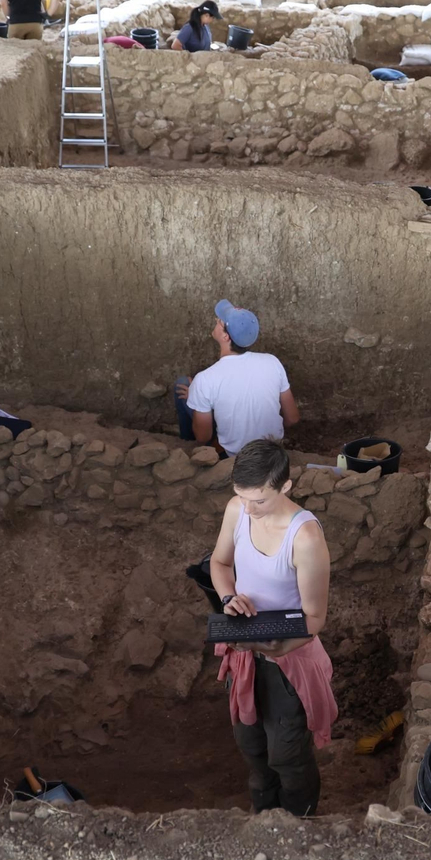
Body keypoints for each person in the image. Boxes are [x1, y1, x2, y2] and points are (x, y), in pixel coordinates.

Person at [210, 441, 336, 816]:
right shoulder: (238, 510)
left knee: (288, 755)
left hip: (290, 660)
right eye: (241, 497)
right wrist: (227, 599)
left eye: (259, 501)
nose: (250, 510)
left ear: (285, 487)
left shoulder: (306, 538)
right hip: (245, 652)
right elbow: (219, 564)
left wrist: (275, 649)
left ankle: (300, 820)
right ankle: (265, 819)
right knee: (251, 744)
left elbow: (314, 619)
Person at [175, 299, 299, 456]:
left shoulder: (205, 379)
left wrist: (195, 398)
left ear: (226, 337)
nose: (215, 320)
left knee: (182, 384)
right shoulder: (272, 362)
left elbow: (202, 436)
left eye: (219, 321)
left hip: (235, 457)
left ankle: (188, 449)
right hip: (272, 452)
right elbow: (292, 418)